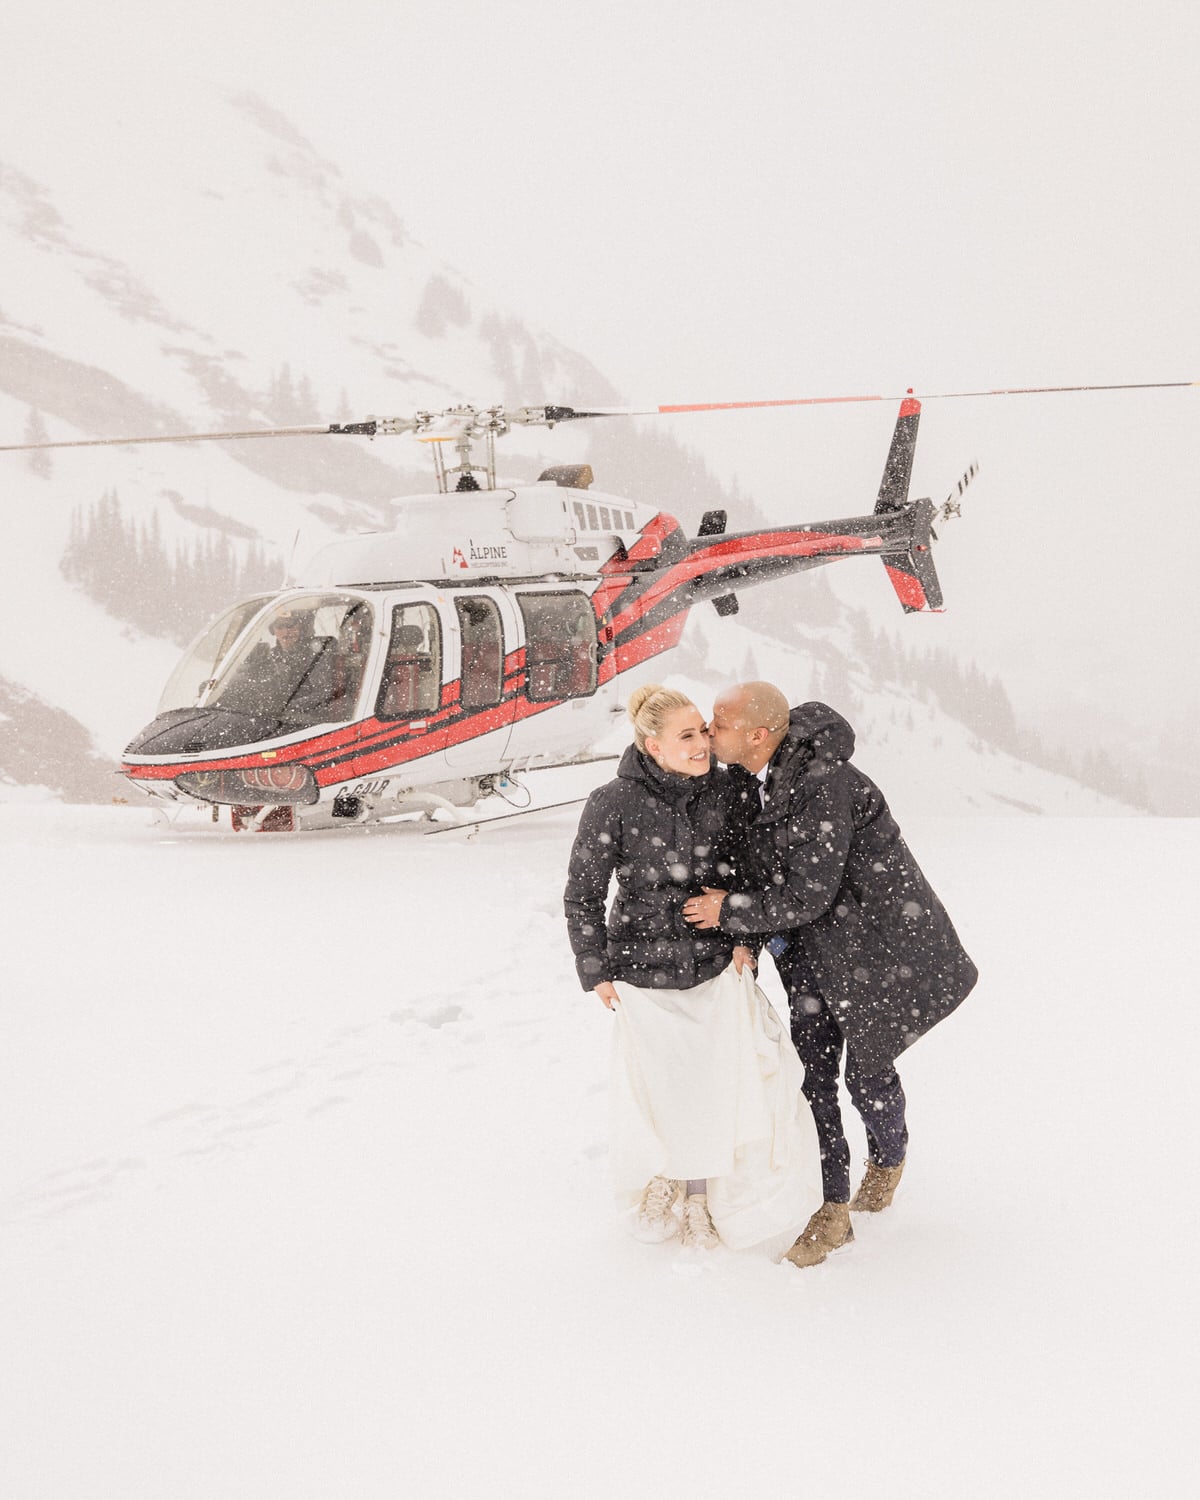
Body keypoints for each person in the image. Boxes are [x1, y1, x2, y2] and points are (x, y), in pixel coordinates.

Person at [683, 682, 978, 1269]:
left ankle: (889, 1156)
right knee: (811, 1078)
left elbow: (810, 891)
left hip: (877, 953)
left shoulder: (827, 785)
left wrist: (730, 912)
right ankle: (831, 1208)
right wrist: (747, 936)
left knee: (867, 1073)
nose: (711, 730)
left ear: (759, 736)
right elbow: (756, 868)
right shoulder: (753, 782)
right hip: (813, 952)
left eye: (720, 721)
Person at [564, 684, 821, 1252]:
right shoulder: (613, 802)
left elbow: (748, 871)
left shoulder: (727, 792)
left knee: (711, 1087)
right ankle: (666, 1175)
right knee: (661, 1089)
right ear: (652, 745)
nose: (703, 743)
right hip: (639, 973)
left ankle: (700, 1196)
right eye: (687, 736)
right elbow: (582, 893)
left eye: (703, 731)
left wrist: (739, 935)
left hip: (711, 966)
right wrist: (595, 968)